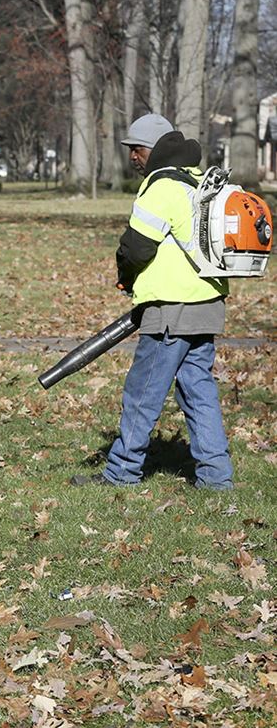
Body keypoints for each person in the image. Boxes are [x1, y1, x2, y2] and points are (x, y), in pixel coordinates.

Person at [73, 113, 233, 489]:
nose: (132, 157)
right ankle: (216, 477)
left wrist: (125, 276)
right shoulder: (198, 181)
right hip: (207, 304)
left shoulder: (160, 185)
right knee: (198, 392)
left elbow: (137, 247)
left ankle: (121, 472)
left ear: (153, 149)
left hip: (170, 309)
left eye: (137, 149)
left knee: (143, 392)